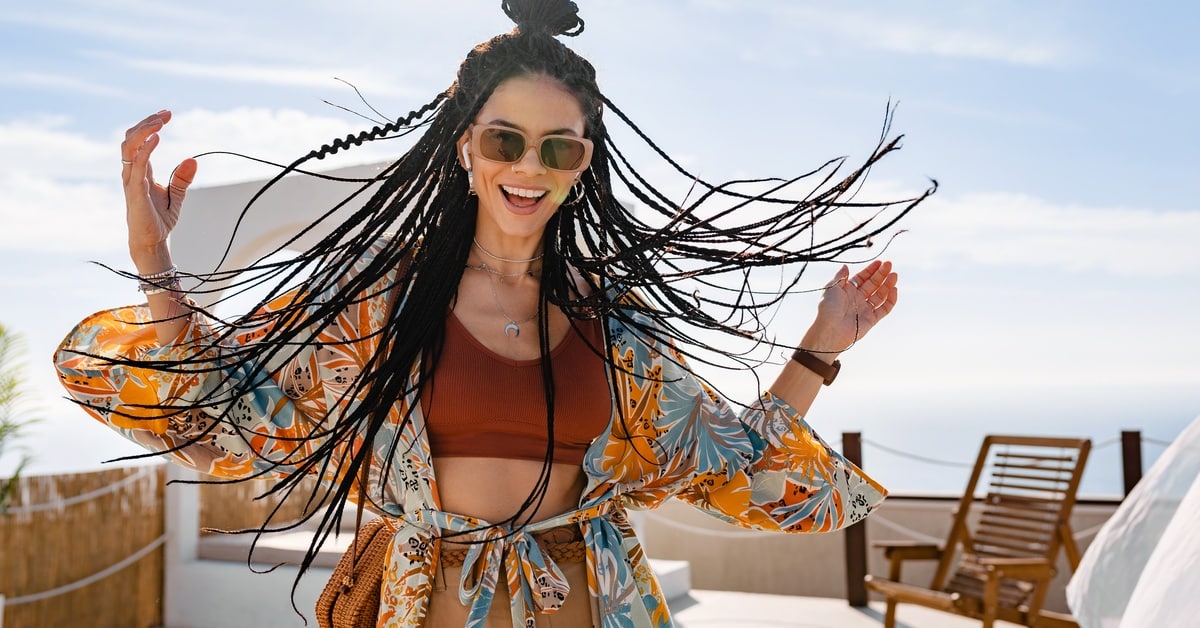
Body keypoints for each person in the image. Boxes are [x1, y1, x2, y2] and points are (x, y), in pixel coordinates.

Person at [54, 1, 932, 626]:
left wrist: (820, 346)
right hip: (429, 601)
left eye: (560, 146)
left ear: (583, 162)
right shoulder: (379, 306)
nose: (529, 166)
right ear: (464, 144)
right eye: (504, 139)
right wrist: (154, 264)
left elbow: (728, 461)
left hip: (594, 599)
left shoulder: (611, 323)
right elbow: (216, 410)